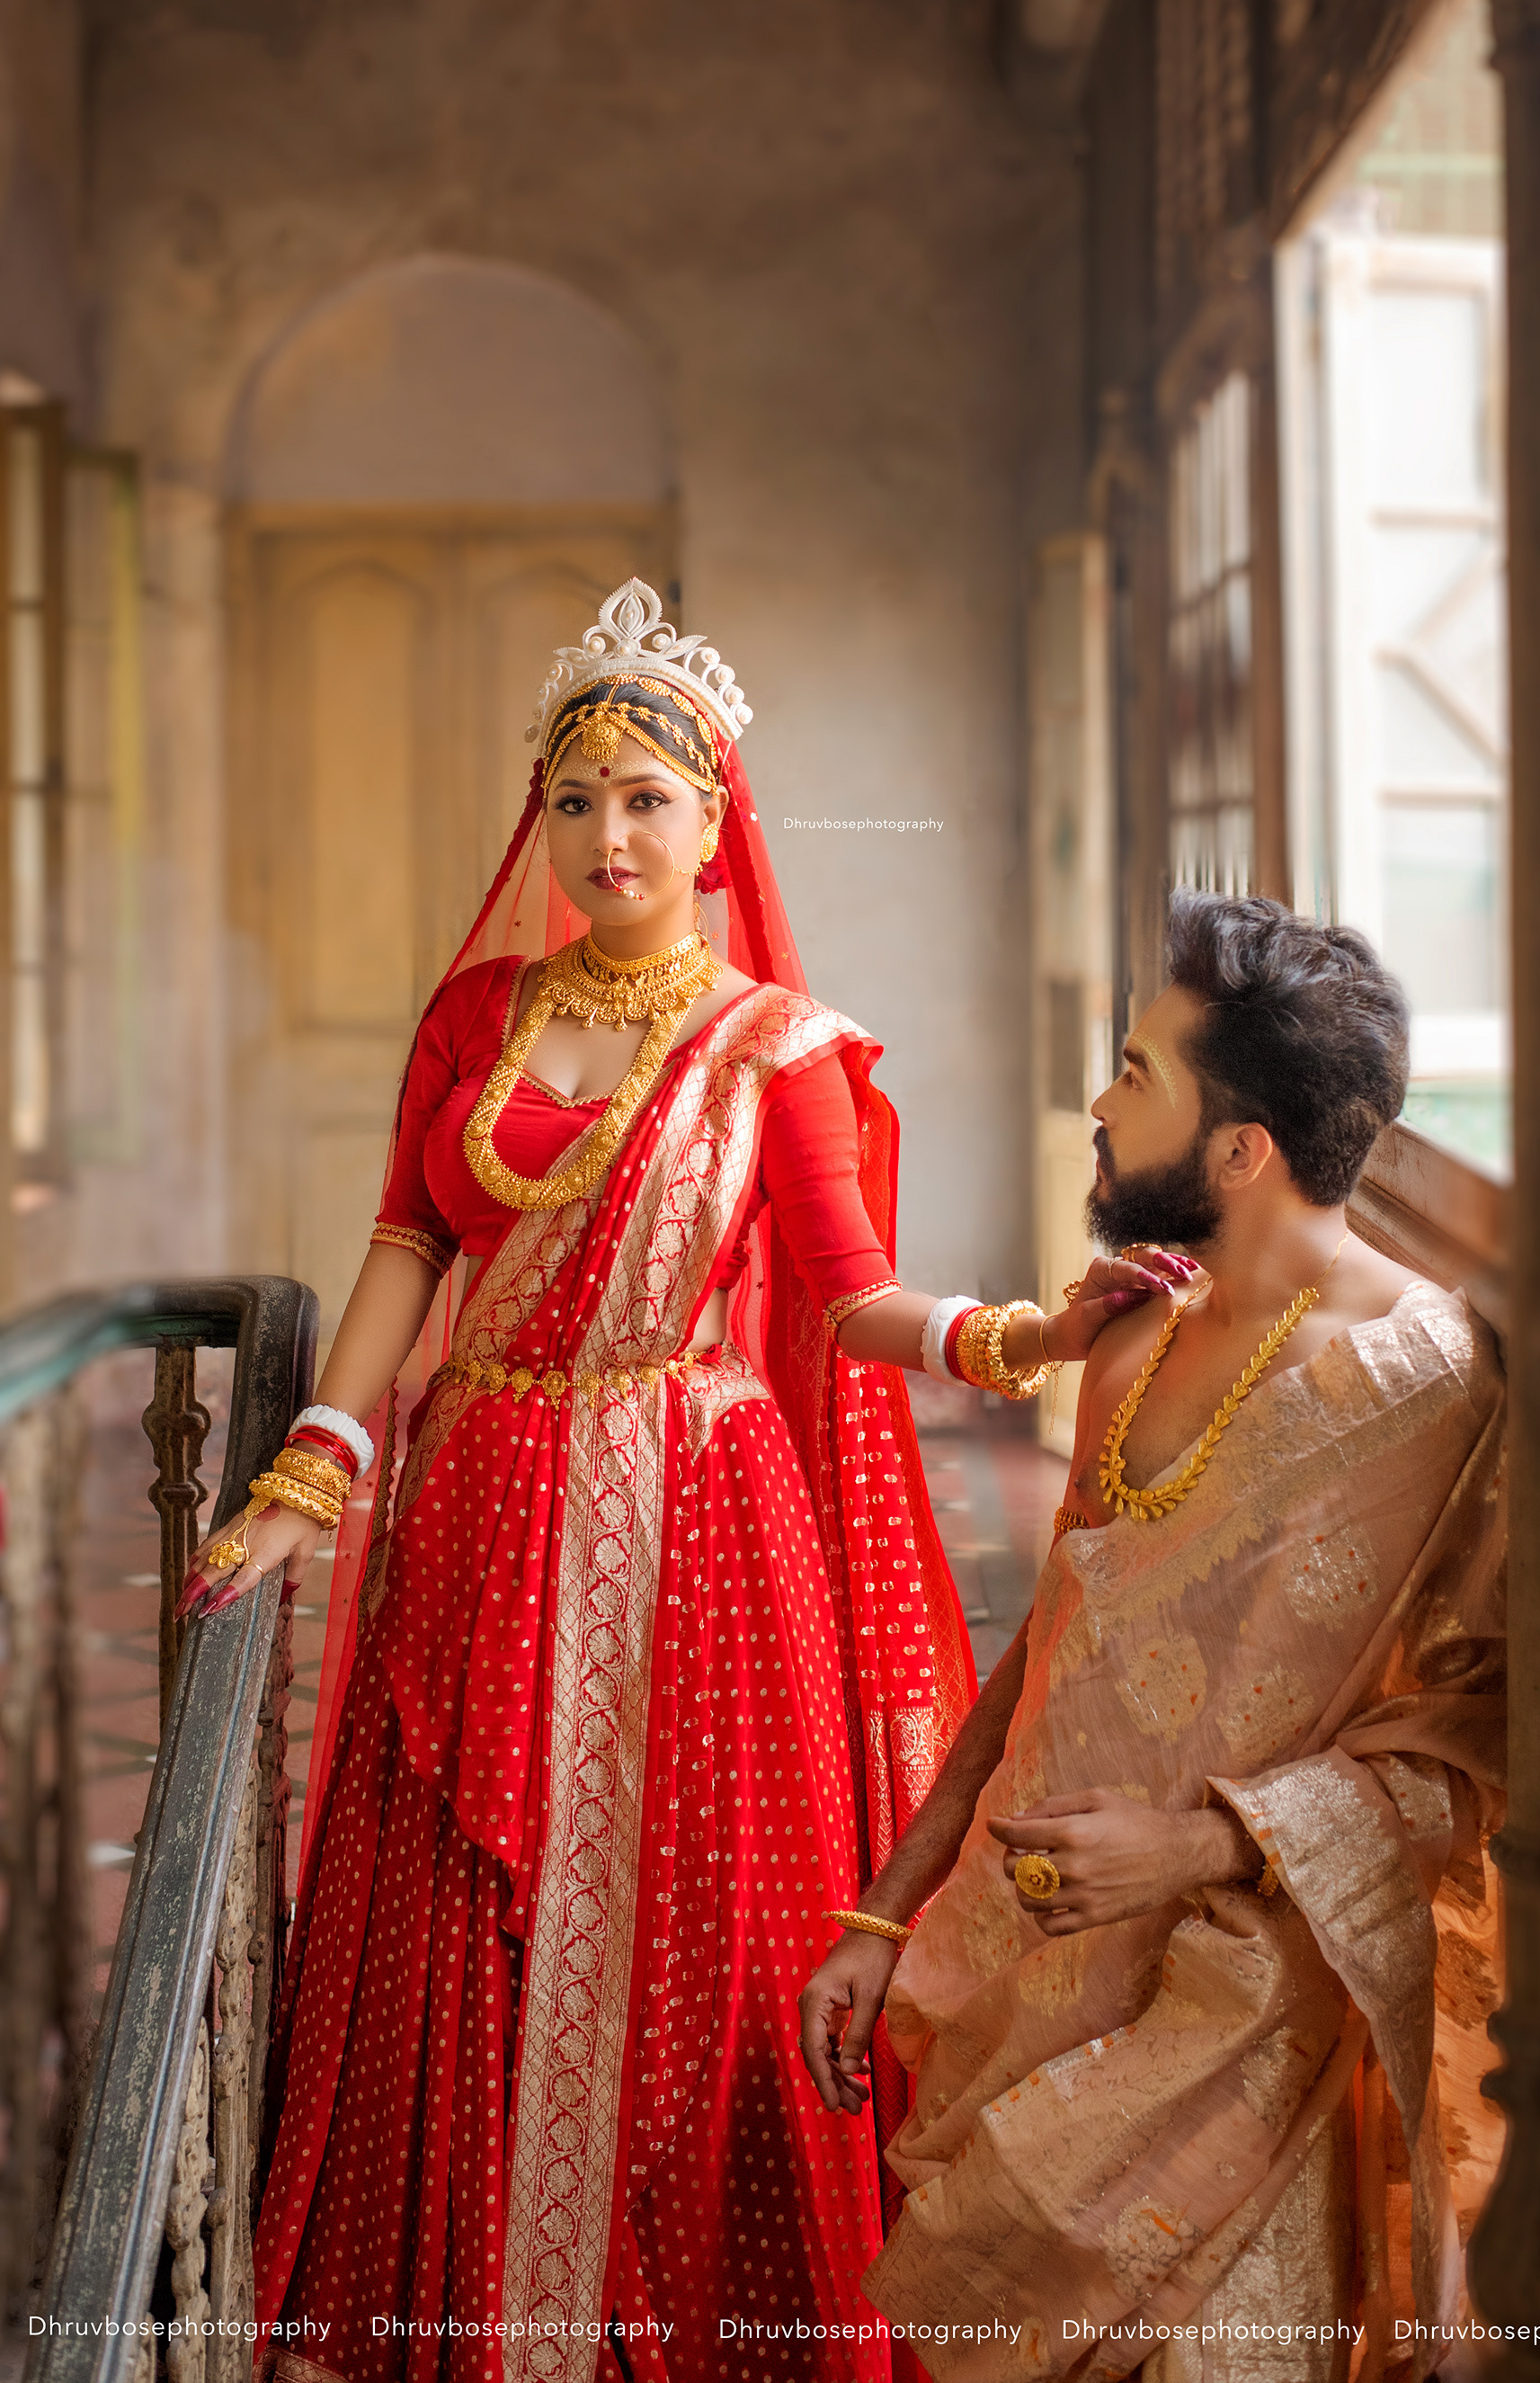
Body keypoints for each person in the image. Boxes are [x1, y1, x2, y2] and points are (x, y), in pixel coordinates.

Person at [176, 579, 1176, 2383]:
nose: (608, 835)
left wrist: (1027, 1333)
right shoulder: (474, 1016)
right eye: (574, 799)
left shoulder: (774, 1048)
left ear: (719, 829)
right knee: (460, 1908)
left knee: (696, 1930)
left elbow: (852, 1294)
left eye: (648, 799)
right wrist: (318, 1463)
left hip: (694, 1528)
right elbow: (408, 1242)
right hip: (478, 1502)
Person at [799, 893, 1507, 2383]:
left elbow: (1466, 1752)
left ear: (1241, 1152)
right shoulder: (1135, 1335)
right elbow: (1050, 1653)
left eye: (1134, 1073)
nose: (1101, 1107)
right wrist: (886, 1913)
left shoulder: (1429, 1388)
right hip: (1024, 1971)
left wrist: (1195, 1849)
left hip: (1232, 2018)